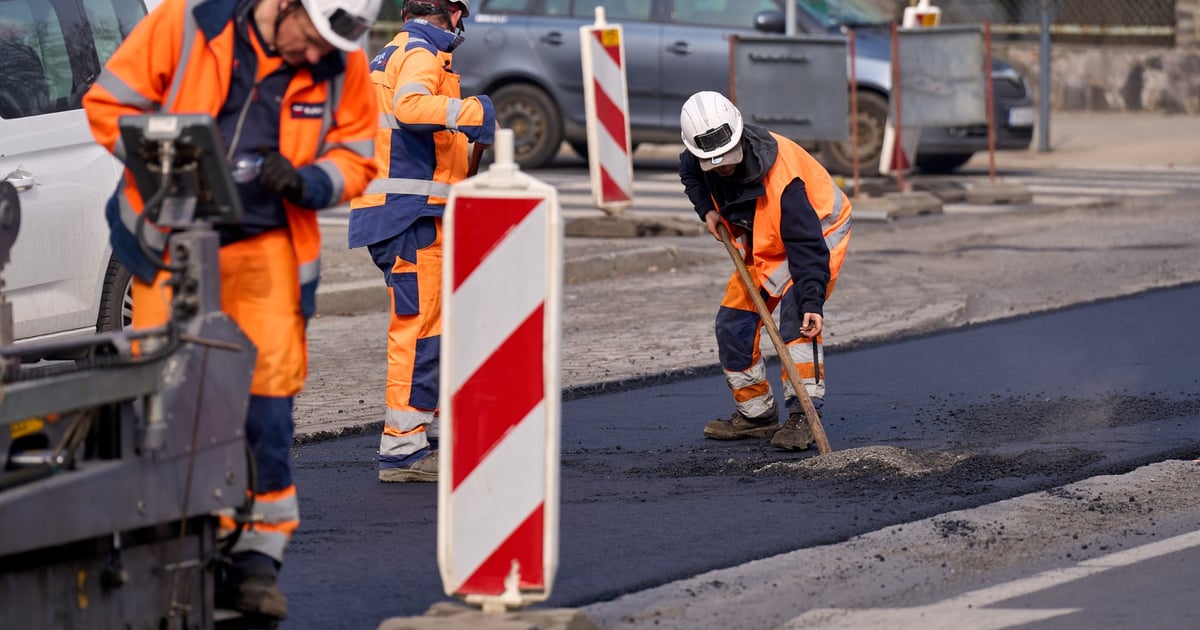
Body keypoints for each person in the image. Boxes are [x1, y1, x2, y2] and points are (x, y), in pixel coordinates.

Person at [83, 0, 381, 620]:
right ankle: (167, 544)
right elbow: (109, 106)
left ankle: (253, 562)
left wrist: (308, 180)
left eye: (332, 47)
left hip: (265, 248)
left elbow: (358, 152)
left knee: (267, 404)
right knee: (168, 395)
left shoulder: (339, 61)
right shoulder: (189, 24)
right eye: (311, 38)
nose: (317, 55)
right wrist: (171, 162)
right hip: (174, 244)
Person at [349, 0, 494, 482]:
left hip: (404, 216)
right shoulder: (421, 52)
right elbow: (411, 109)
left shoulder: (394, 50)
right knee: (417, 331)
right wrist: (473, 112)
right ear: (452, 14)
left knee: (425, 327)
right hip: (409, 219)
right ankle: (404, 451)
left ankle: (416, 436)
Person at [677, 91, 851, 451]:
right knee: (732, 323)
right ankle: (756, 414)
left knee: (797, 322)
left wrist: (812, 303)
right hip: (763, 240)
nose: (722, 167)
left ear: (739, 135)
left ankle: (804, 415)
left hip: (815, 238)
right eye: (713, 163)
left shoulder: (784, 181)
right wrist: (705, 211)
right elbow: (690, 173)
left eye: (727, 159)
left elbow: (806, 249)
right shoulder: (699, 155)